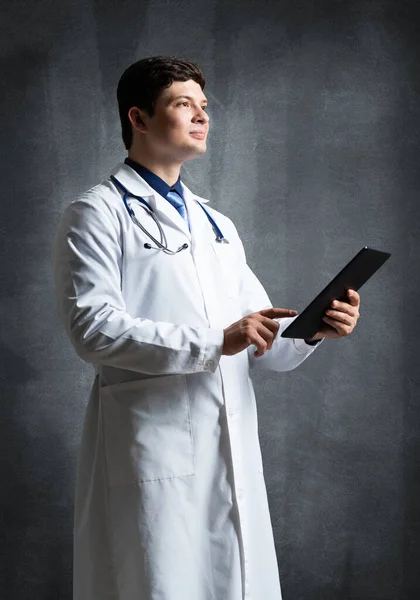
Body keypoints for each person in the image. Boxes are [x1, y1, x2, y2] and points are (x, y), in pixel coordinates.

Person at [52, 56, 360, 600]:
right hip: (153, 442)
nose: (201, 117)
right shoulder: (97, 213)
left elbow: (262, 338)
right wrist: (218, 341)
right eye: (182, 104)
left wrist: (314, 329)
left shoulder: (217, 225)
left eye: (204, 106)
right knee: (160, 582)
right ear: (139, 118)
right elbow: (92, 328)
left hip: (230, 444)